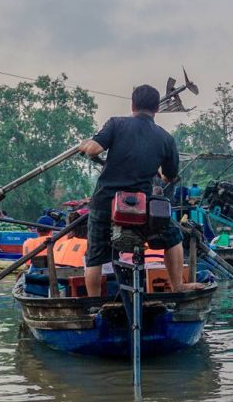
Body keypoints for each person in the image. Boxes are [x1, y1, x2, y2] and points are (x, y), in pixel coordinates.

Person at [78, 84, 204, 297]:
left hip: (105, 203)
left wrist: (84, 144)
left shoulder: (116, 124)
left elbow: (93, 150)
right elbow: (170, 176)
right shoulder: (166, 138)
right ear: (156, 109)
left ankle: (93, 304)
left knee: (95, 256)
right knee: (173, 238)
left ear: (133, 105)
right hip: (142, 206)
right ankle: (178, 286)